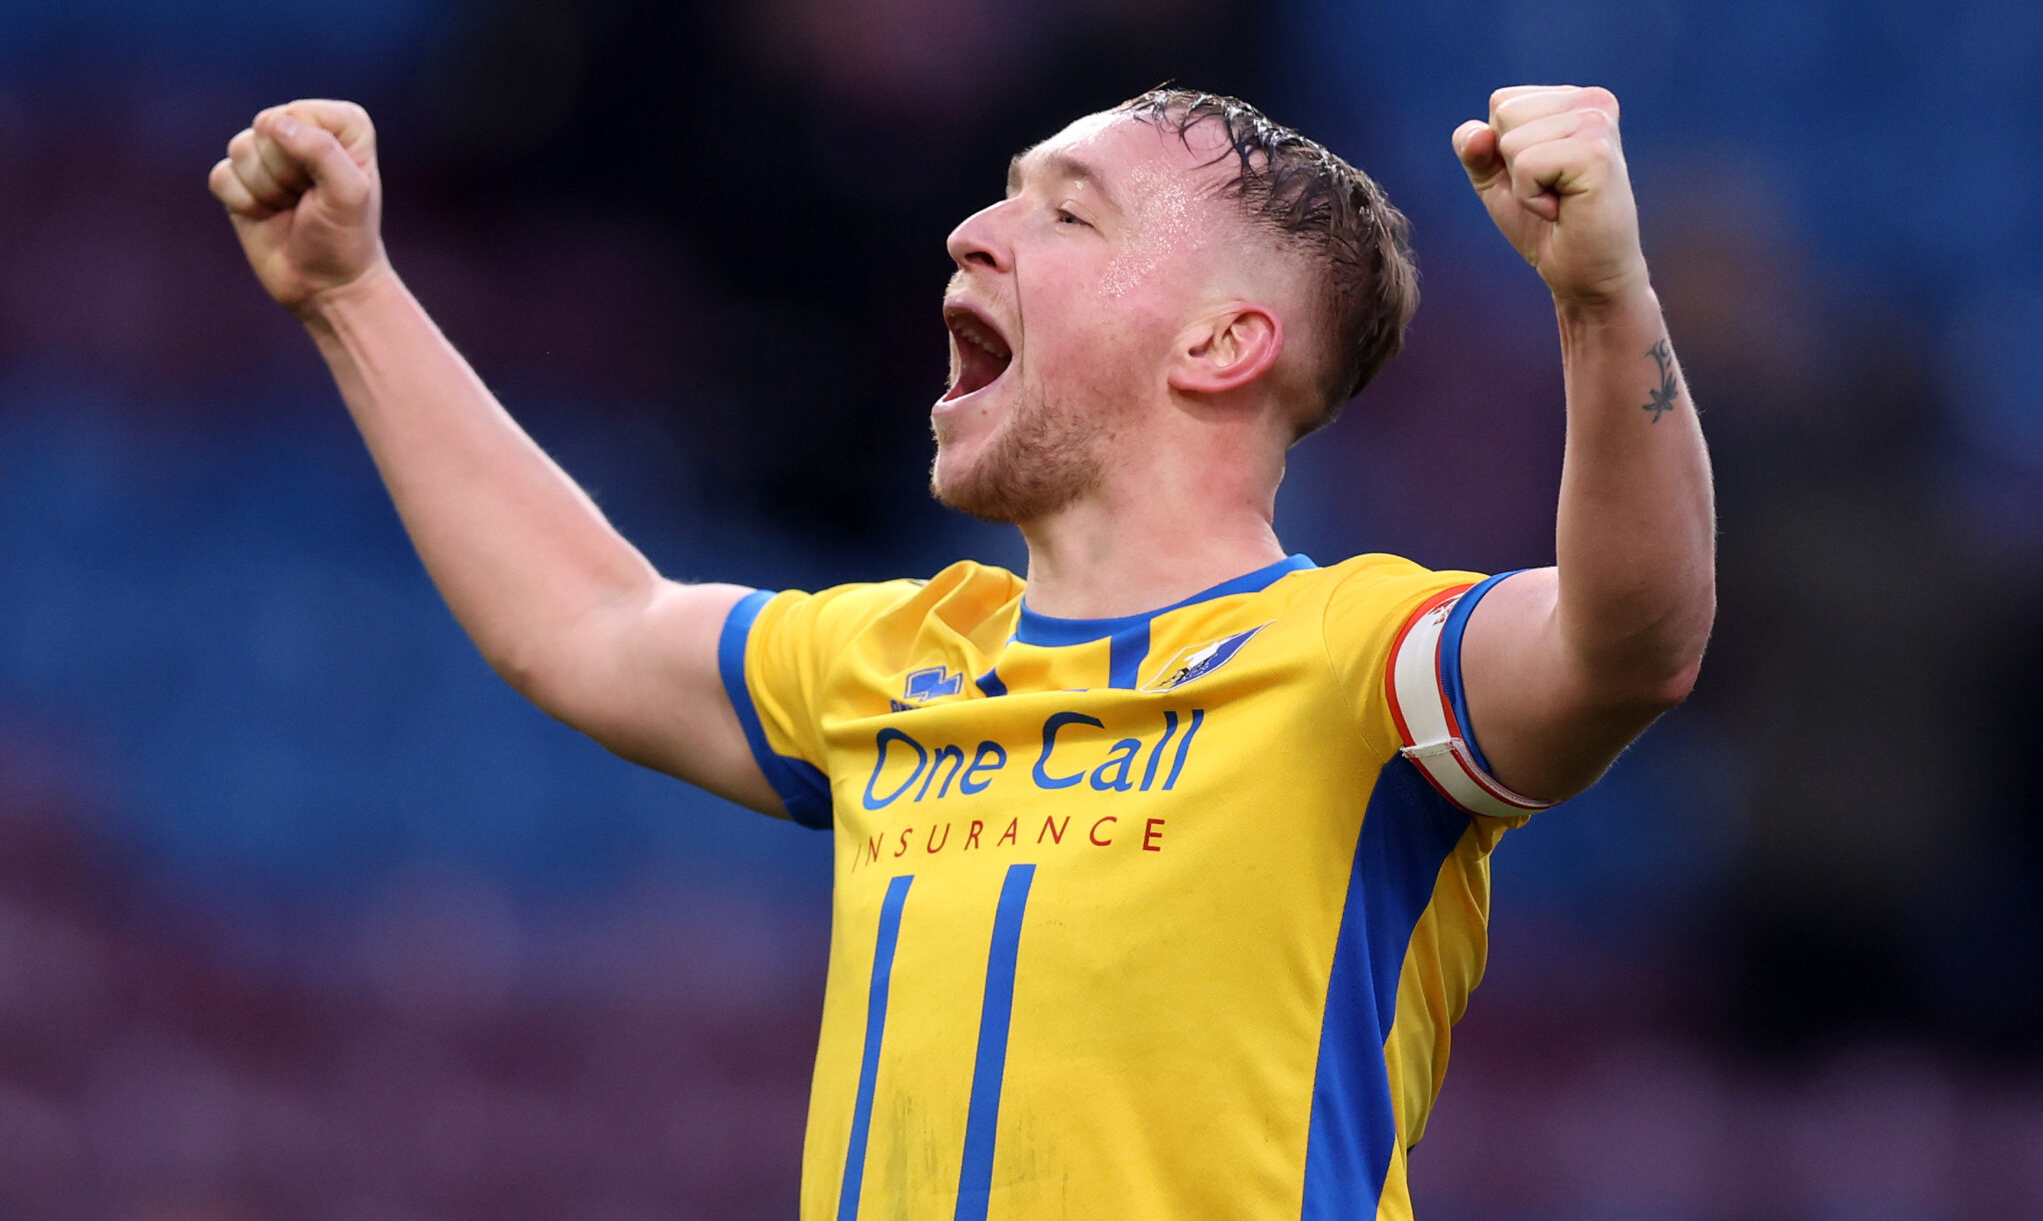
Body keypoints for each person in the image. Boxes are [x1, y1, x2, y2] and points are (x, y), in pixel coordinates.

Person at [208, 84, 1713, 1220]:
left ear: (1220, 344)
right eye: (1002, 196)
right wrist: (351, 294)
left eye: (1066, 213)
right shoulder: (898, 658)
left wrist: (1600, 297)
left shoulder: (1359, 666)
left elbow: (1629, 638)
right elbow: (586, 622)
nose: (972, 231)